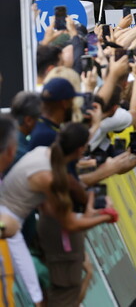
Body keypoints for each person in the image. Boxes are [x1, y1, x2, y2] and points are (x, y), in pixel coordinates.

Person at [0, 122, 118, 306]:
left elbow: (53, 211)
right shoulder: (49, 176)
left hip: (27, 226)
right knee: (38, 297)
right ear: (80, 150)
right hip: (13, 227)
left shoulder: (43, 154)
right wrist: (107, 215)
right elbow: (69, 224)